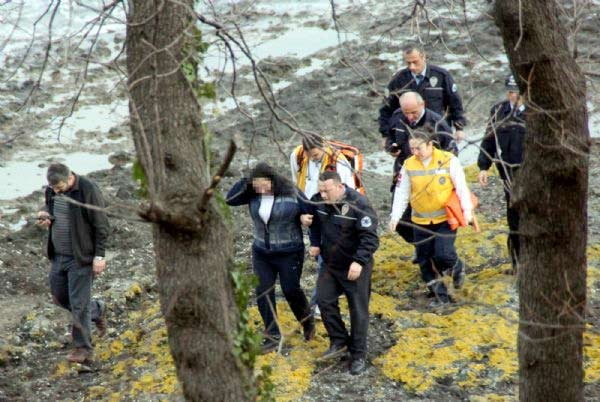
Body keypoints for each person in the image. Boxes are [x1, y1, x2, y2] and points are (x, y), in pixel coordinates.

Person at [226, 162, 315, 354]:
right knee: (262, 291)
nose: (260, 189)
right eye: (256, 185)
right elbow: (230, 199)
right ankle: (272, 335)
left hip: (289, 251)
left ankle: (307, 322)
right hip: (262, 252)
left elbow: (311, 211)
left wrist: (304, 220)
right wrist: (245, 180)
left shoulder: (291, 192)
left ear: (273, 180)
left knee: (291, 289)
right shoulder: (252, 194)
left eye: (263, 184)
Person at [304, 170, 379, 375]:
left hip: (354, 266)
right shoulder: (318, 201)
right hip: (330, 264)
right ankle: (339, 341)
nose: (323, 196)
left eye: (327, 191)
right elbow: (313, 221)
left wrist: (359, 261)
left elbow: (370, 238)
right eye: (321, 191)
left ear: (339, 187)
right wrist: (315, 243)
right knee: (324, 300)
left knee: (358, 310)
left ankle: (358, 354)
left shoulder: (359, 204)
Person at [388, 128, 472, 306]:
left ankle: (456, 266)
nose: (415, 153)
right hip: (420, 222)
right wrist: (395, 217)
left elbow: (461, 188)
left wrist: (467, 211)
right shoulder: (409, 165)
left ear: (430, 145)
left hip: (444, 220)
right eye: (412, 149)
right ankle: (441, 297)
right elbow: (402, 192)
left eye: (419, 148)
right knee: (424, 261)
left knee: (443, 255)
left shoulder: (448, 160)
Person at [37, 163, 108, 364]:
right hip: (58, 255)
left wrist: (99, 257)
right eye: (53, 189)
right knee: (60, 297)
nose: (56, 191)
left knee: (78, 304)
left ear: (69, 178)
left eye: (59, 187)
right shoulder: (52, 189)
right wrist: (45, 215)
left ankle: (83, 348)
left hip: (81, 257)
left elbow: (101, 224)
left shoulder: (88, 189)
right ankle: (98, 310)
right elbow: (50, 208)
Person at [290, 135, 356, 318]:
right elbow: (296, 185)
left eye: (316, 154)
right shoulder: (297, 156)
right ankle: (321, 303)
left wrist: (342, 217)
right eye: (310, 154)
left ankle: (319, 304)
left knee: (327, 260)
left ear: (323, 148)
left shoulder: (339, 162)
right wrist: (301, 213)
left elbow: (348, 192)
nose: (313, 158)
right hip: (312, 208)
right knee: (322, 255)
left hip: (332, 211)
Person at [386, 92, 457, 250]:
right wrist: (391, 148)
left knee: (433, 222)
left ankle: (435, 253)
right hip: (404, 175)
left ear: (422, 105)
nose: (410, 117)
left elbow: (452, 152)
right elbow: (389, 137)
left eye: (414, 112)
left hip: (432, 182)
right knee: (401, 222)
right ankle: (423, 248)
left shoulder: (437, 123)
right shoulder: (397, 118)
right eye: (406, 113)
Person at [477, 74, 525, 273]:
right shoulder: (498, 111)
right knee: (513, 218)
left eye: (516, 92)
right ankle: (517, 264)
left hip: (534, 173)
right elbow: (489, 140)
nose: (512, 96)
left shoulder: (538, 112)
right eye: (510, 91)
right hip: (508, 174)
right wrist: (483, 167)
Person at [378, 43, 467, 143]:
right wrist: (386, 135)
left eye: (415, 62)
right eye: (408, 63)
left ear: (423, 56)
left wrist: (459, 128)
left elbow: (455, 103)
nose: (412, 67)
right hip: (409, 135)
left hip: (437, 131)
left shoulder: (441, 76)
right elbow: (386, 109)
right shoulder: (399, 79)